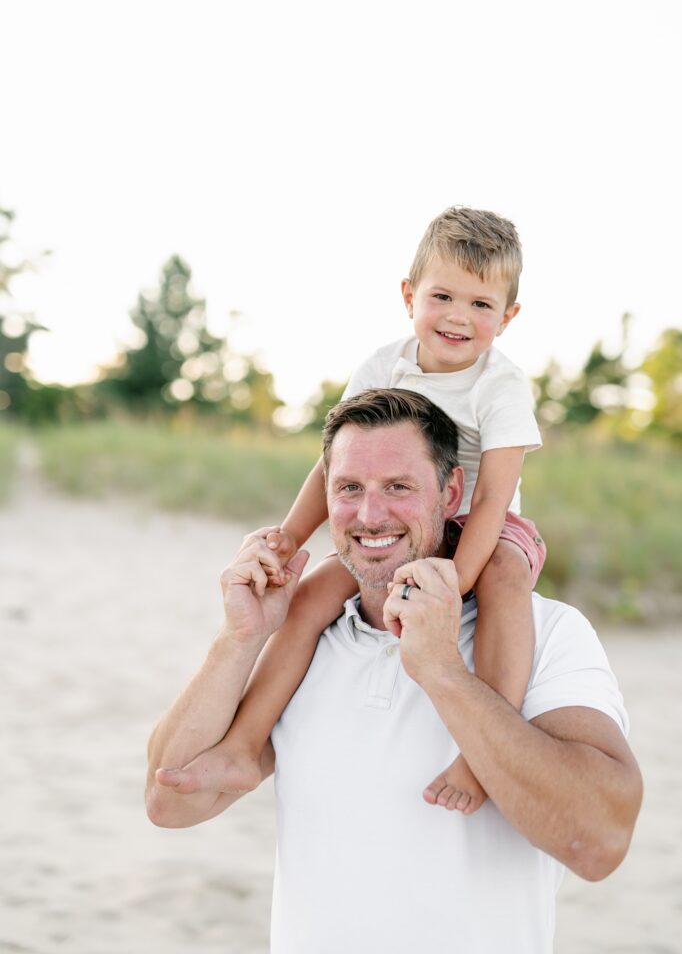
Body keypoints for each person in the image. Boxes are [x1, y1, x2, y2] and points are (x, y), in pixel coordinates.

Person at [146, 389, 642, 954]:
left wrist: (443, 672)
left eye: (399, 487)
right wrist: (240, 639)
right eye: (349, 489)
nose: (370, 515)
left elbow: (600, 842)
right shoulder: (305, 638)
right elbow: (170, 802)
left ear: (452, 491)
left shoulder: (547, 632)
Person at [173, 205, 544, 814]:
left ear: (508, 316)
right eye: (442, 295)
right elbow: (334, 465)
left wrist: (457, 582)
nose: (457, 317)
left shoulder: (500, 387)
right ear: (408, 295)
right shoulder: (382, 366)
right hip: (398, 523)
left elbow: (496, 498)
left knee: (507, 580)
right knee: (310, 597)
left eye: (481, 305)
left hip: (482, 526)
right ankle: (243, 743)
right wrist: (291, 537)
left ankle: (481, 754)